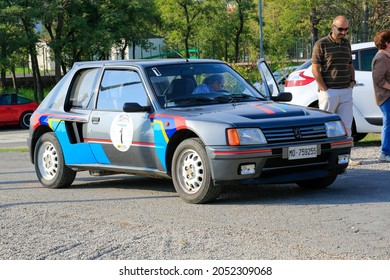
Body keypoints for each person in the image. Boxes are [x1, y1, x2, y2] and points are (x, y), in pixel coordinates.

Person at [312, 15, 360, 166]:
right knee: (326, 125)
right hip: (329, 91)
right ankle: (322, 157)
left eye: (346, 29)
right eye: (341, 29)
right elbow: (315, 69)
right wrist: (324, 88)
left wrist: (352, 82)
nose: (344, 32)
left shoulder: (346, 44)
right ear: (332, 27)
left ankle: (345, 156)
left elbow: (350, 65)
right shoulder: (321, 44)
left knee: (346, 125)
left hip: (346, 90)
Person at [372, 30, 390, 162]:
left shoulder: (387, 56)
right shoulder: (381, 58)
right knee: (388, 123)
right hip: (385, 97)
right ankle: (384, 153)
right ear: (387, 43)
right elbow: (378, 79)